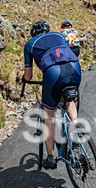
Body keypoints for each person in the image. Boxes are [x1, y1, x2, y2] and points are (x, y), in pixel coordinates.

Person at [23, 21, 81, 170]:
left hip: (53, 73)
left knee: (48, 117)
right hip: (74, 67)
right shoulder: (59, 35)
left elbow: (28, 76)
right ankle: (75, 129)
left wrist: (24, 79)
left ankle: (50, 157)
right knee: (69, 100)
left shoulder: (30, 44)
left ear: (33, 32)